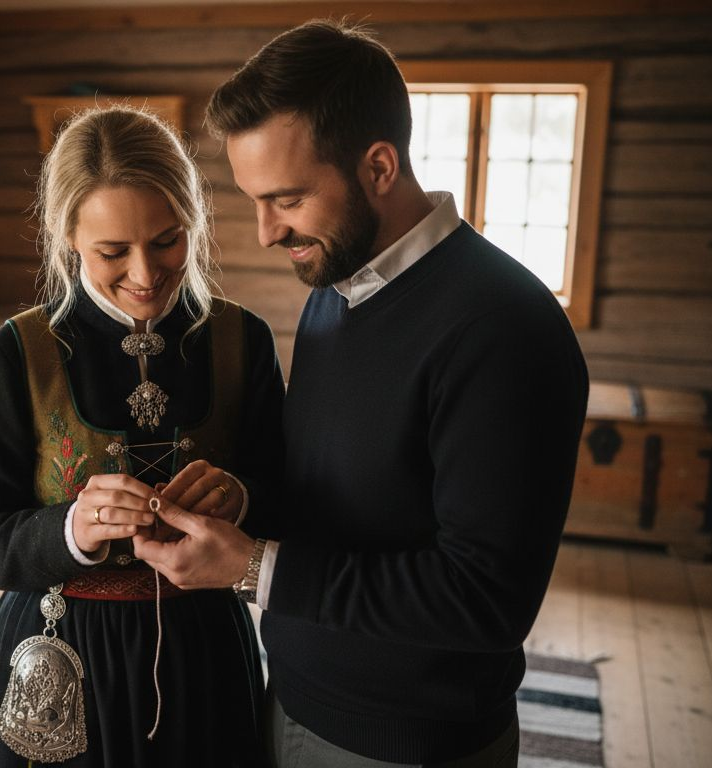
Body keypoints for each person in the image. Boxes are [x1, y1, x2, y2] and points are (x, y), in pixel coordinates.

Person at [135, 20, 590, 768]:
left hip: (407, 744)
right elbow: (340, 495)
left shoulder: (503, 327)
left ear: (379, 166)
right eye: (254, 200)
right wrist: (242, 503)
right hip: (290, 699)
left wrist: (254, 568)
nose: (266, 232)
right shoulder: (336, 288)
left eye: (287, 199)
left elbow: (485, 599)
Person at [0, 105, 285, 767]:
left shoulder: (243, 340)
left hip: (202, 647)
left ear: (194, 221)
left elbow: (291, 493)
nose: (145, 274)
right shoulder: (15, 353)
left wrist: (240, 498)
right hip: (59, 655)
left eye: (167, 240)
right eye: (112, 252)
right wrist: (72, 528)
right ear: (67, 234)